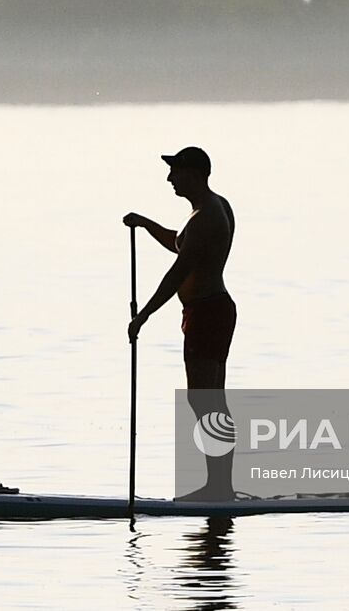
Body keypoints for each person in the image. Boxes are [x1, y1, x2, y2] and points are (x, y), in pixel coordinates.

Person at [125, 146, 237, 500]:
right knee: (207, 400)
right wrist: (146, 225)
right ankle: (220, 485)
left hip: (208, 313)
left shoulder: (207, 216)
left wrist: (143, 315)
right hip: (205, 312)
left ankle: (219, 487)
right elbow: (180, 244)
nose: (170, 178)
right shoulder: (205, 212)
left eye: (176, 171)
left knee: (205, 401)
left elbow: (179, 271)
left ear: (195, 173)